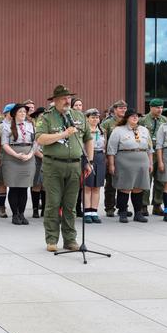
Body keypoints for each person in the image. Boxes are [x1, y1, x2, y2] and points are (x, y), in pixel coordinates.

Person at [36, 85, 93, 252]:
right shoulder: (46, 118)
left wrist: (89, 161)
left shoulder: (79, 116)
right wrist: (63, 134)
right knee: (53, 203)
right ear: (55, 100)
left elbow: (88, 139)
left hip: (75, 165)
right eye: (63, 98)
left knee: (70, 205)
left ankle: (70, 239)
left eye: (69, 98)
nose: (67, 101)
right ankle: (52, 239)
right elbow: (40, 139)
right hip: (53, 165)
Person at [107, 109, 152, 223]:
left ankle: (138, 213)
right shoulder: (118, 130)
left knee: (138, 188)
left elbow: (150, 148)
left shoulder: (144, 130)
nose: (135, 118)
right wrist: (111, 164)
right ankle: (122, 212)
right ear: (127, 118)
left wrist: (150, 163)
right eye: (132, 116)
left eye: (137, 116)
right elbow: (111, 149)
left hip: (142, 159)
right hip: (124, 160)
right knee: (125, 187)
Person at [1, 104, 36, 225]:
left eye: (24, 112)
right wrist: (16, 155)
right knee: (14, 186)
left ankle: (22, 213)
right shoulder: (7, 127)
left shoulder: (30, 126)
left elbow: (36, 142)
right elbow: (4, 144)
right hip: (12, 158)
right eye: (20, 111)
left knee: (24, 187)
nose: (23, 114)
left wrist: (30, 154)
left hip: (28, 157)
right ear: (14, 114)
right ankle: (15, 214)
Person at [139, 98, 167, 216]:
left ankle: (157, 205)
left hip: (161, 152)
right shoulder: (143, 120)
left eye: (161, 107)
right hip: (147, 153)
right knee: (146, 179)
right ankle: (143, 205)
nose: (160, 110)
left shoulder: (165, 120)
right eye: (157, 107)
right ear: (151, 107)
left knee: (161, 180)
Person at [101, 100, 128, 217]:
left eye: (124, 108)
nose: (123, 110)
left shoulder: (127, 121)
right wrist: (105, 157)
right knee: (111, 184)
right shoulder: (107, 123)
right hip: (111, 156)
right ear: (115, 109)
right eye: (121, 108)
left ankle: (123, 207)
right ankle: (110, 207)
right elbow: (102, 140)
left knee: (124, 184)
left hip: (125, 157)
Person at [83, 109, 105, 223]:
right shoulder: (84, 131)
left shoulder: (102, 131)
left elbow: (104, 146)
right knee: (88, 186)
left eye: (97, 117)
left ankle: (94, 211)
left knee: (97, 186)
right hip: (87, 158)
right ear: (87, 118)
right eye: (92, 117)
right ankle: (87, 211)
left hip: (100, 157)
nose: (95, 119)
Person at [0, 103, 16, 219]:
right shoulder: (2, 125)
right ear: (7, 113)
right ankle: (2, 207)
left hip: (15, 156)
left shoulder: (17, 124)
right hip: (4, 155)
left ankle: (15, 207)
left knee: (14, 183)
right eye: (12, 111)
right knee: (2, 182)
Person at [29, 107, 46, 218]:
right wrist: (43, 156)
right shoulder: (32, 129)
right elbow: (32, 146)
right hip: (36, 158)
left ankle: (44, 209)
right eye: (40, 116)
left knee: (45, 185)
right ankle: (35, 209)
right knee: (36, 184)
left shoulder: (47, 128)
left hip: (48, 159)